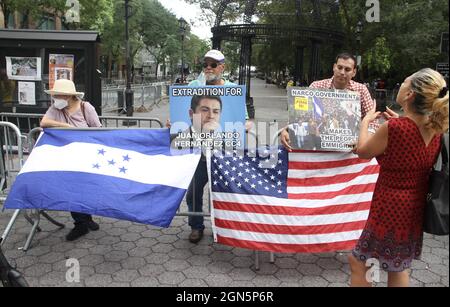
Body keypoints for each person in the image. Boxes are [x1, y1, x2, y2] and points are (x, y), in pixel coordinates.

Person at [349, 68, 449, 287]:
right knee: (398, 266)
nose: (401, 85)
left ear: (410, 94)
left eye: (404, 81)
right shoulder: (436, 129)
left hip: (389, 208)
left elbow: (363, 152)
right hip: (413, 210)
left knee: (361, 263)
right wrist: (401, 122)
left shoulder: (395, 127)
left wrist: (365, 122)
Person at [41, 79, 102, 241]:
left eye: (58, 95)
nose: (55, 98)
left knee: (85, 188)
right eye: (55, 95)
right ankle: (80, 223)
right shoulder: (56, 108)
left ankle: (87, 218)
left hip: (86, 155)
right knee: (72, 189)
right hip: (67, 157)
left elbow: (99, 130)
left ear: (69, 96)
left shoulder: (85, 107)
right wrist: (66, 127)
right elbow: (44, 122)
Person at [281, 52, 377, 150]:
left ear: (354, 72)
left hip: (350, 152)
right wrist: (286, 130)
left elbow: (373, 123)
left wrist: (363, 140)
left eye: (347, 69)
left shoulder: (361, 90)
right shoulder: (316, 86)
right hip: (319, 149)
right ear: (334, 67)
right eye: (339, 67)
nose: (342, 72)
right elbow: (300, 113)